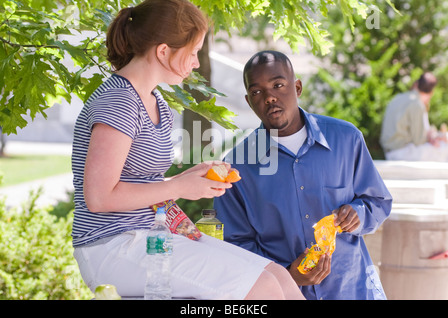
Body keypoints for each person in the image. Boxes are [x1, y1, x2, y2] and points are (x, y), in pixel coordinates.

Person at [71, 1, 304, 300]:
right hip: (111, 247)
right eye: (192, 53)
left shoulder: (157, 105)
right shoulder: (119, 102)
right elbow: (100, 197)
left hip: (148, 237)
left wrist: (190, 177)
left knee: (278, 276)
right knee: (263, 290)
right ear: (163, 51)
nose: (196, 63)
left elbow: (141, 185)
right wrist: (180, 186)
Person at [214, 50, 393, 300]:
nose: (269, 98)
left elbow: (378, 201)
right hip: (284, 294)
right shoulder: (236, 166)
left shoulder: (346, 138)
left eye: (278, 85)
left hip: (352, 290)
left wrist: (359, 214)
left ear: (297, 87)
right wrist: (288, 275)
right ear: (248, 100)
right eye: (257, 92)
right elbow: (236, 244)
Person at [380, 72, 448, 161]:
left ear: (416, 84)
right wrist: (435, 138)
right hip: (402, 152)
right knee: (444, 148)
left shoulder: (398, 97)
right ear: (431, 92)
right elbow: (419, 140)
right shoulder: (417, 104)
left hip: (390, 151)